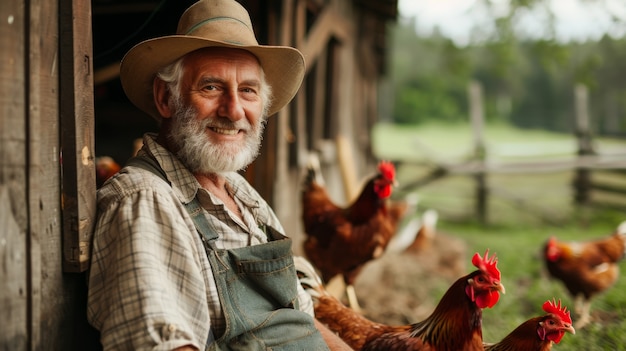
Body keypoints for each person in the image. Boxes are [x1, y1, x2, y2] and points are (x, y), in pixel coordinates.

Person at [86, 0, 353, 350]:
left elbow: (301, 320)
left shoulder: (242, 194)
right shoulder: (146, 200)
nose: (233, 110)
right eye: (211, 87)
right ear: (166, 98)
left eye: (248, 90)